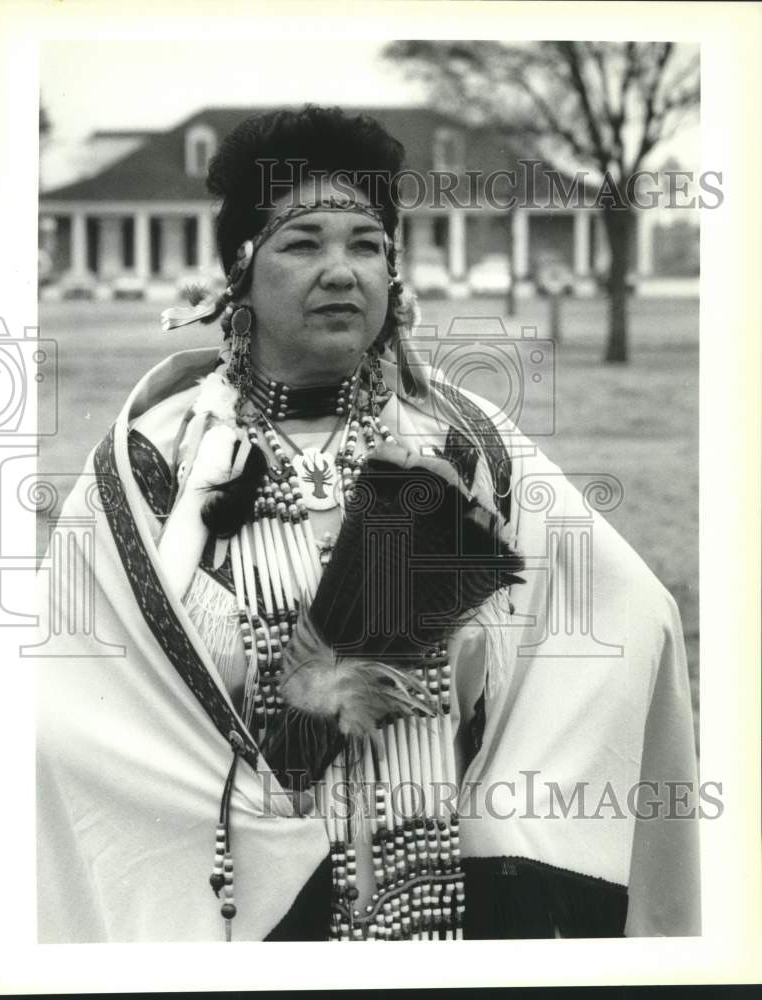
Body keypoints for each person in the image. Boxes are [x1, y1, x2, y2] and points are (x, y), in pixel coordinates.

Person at [36, 105, 700, 943]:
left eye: (366, 244)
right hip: (245, 910)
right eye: (303, 242)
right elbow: (78, 700)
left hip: (445, 893)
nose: (342, 270)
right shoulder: (157, 459)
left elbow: (630, 616)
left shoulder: (461, 439)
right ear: (238, 273)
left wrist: (500, 755)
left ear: (396, 274)